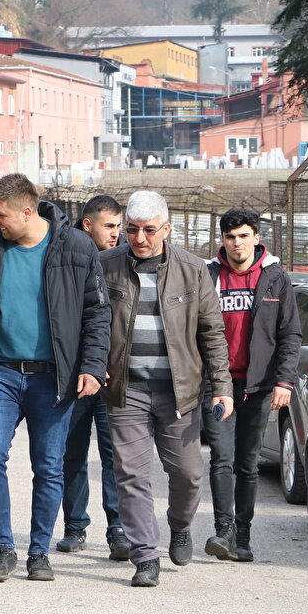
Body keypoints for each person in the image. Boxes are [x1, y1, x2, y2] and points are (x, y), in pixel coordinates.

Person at [0, 173, 110, 583]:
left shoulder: (76, 247)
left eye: (1, 214)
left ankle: (39, 552)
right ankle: (3, 548)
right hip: (0, 374)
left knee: (49, 466)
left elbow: (98, 313)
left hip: (52, 378)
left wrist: (93, 367)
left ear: (27, 211)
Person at [100, 191, 233, 587]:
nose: (139, 238)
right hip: (126, 390)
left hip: (180, 392)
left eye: (149, 230)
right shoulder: (105, 266)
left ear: (167, 229)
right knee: (131, 475)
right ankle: (145, 557)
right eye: (132, 230)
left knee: (189, 474)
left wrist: (221, 386)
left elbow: (212, 333)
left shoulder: (193, 270)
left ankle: (179, 526)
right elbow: (90, 321)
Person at [202, 207, 301, 563]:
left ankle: (242, 537)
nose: (237, 243)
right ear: (222, 241)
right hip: (218, 386)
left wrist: (284, 381)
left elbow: (290, 334)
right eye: (230, 237)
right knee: (221, 458)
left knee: (247, 463)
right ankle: (223, 531)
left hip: (258, 386)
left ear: (256, 238)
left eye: (243, 236)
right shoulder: (208, 275)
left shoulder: (275, 278)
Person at [54, 195, 130, 561]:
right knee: (72, 452)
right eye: (109, 226)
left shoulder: (127, 262)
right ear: (88, 225)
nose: (117, 234)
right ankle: (75, 525)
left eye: (119, 226)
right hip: (74, 373)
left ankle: (118, 528)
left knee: (113, 454)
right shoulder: (66, 258)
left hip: (113, 375)